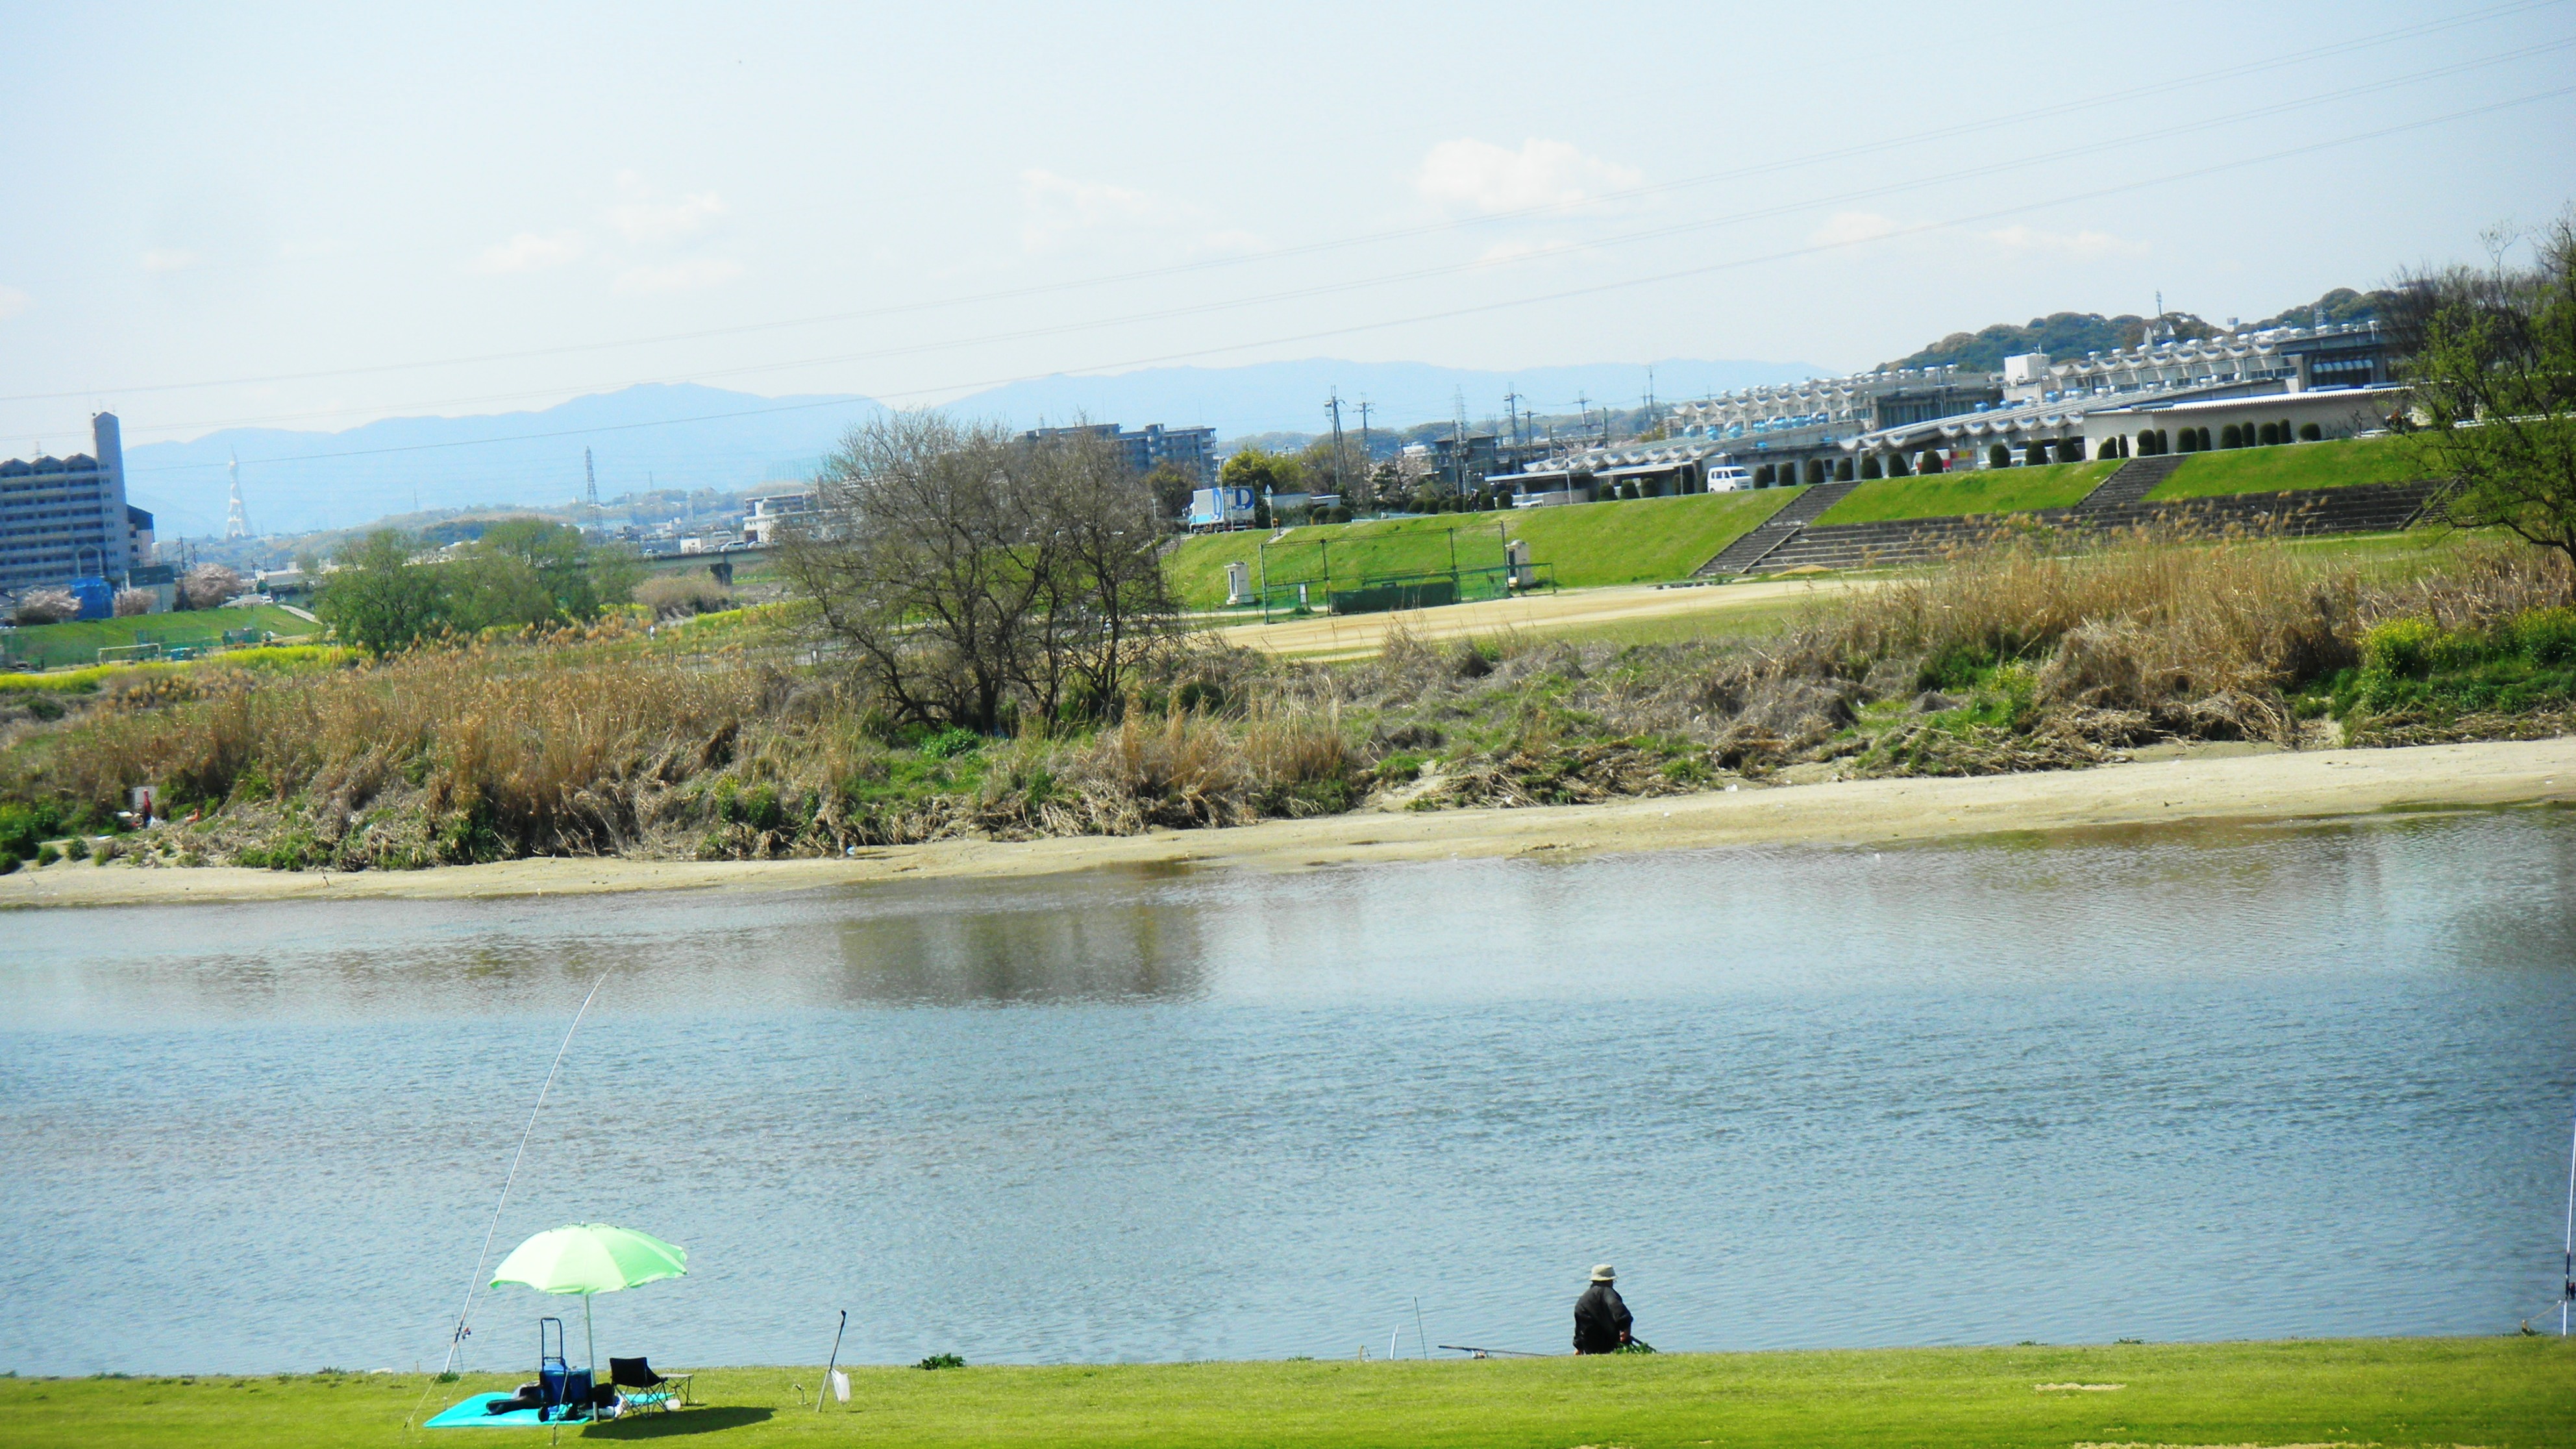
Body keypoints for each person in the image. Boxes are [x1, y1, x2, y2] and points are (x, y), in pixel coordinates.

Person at [1572, 1264, 1632, 1354]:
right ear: (1609, 1280)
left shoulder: (1583, 1300)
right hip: (1610, 1344)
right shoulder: (1609, 1293)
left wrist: (1579, 1347)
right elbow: (1621, 1313)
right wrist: (1625, 1331)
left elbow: (1580, 1327)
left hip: (1590, 1347)